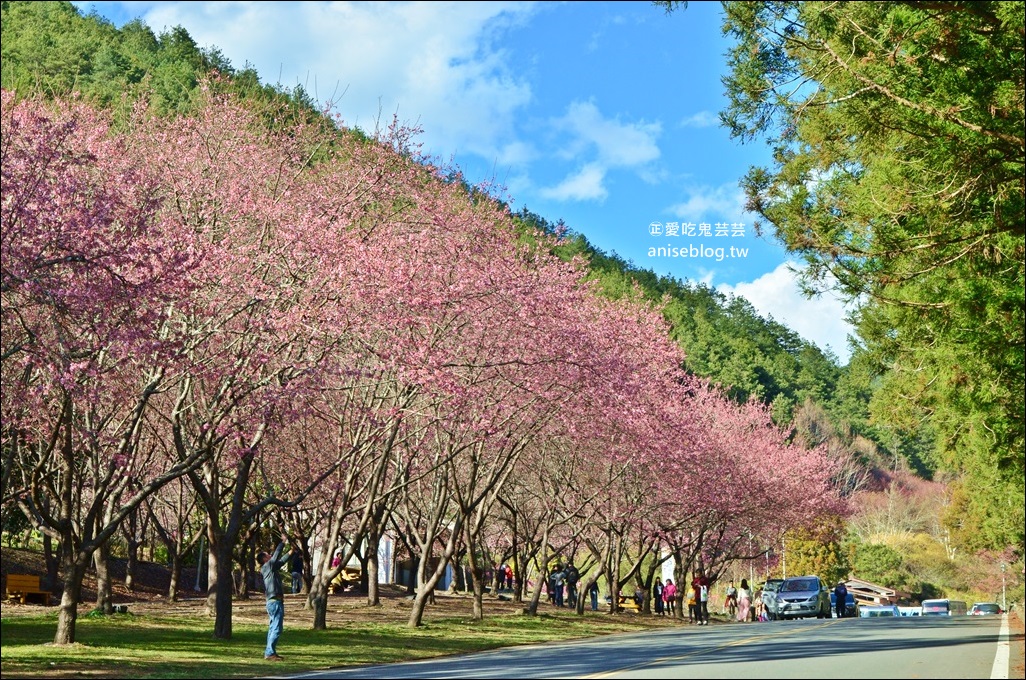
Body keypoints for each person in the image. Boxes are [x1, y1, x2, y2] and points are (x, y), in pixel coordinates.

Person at [258, 535, 292, 661]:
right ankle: (269, 653)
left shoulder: (271, 568)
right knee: (277, 628)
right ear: (264, 559)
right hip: (274, 602)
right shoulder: (267, 567)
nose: (270, 555)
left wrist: (291, 551)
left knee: (273, 628)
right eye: (268, 555)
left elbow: (281, 561)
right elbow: (277, 556)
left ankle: (270, 652)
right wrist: (283, 541)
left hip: (275, 602)